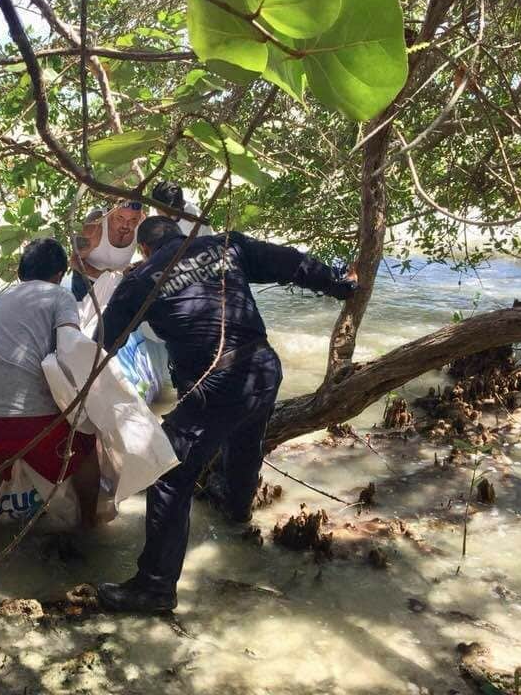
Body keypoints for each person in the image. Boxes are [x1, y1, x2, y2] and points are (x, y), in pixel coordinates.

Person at [96, 217, 358, 613]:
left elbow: (104, 344)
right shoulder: (225, 246)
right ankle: (237, 511)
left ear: (144, 249)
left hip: (215, 386)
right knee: (245, 439)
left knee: (168, 476)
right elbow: (291, 263)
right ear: (183, 236)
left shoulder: (142, 279)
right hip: (263, 368)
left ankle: (154, 587)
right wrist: (340, 285)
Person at [0, 238, 101, 546]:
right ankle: (90, 526)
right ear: (59, 273)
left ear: (21, 273)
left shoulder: (3, 298)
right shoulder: (59, 295)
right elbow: (71, 346)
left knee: (1, 450)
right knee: (85, 445)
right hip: (29, 419)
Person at [70, 200, 144, 301]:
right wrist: (103, 276)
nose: (125, 225)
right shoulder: (95, 225)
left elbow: (153, 256)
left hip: (118, 283)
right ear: (113, 211)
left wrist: (131, 270)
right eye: (120, 218)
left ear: (140, 216)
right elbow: (74, 261)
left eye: (133, 220)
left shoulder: (143, 225)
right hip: (86, 283)